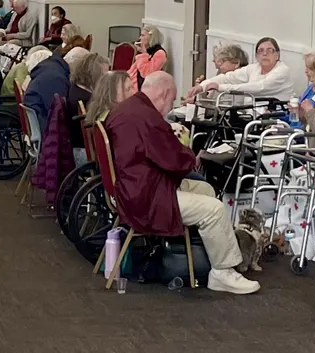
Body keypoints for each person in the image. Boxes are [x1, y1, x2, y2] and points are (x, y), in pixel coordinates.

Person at [106, 73, 259, 294]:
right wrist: (191, 157)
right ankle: (223, 272)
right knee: (214, 210)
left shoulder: (129, 109)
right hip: (146, 198)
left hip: (133, 187)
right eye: (172, 99)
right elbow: (173, 160)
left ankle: (207, 257)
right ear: (165, 93)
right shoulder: (146, 118)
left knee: (205, 189)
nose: (171, 105)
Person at [187, 37, 294, 103]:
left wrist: (220, 87)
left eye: (270, 50)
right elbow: (228, 78)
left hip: (275, 117)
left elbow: (259, 87)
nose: (265, 54)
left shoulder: (282, 71)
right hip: (251, 115)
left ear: (277, 54)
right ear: (256, 55)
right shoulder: (254, 68)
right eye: (261, 51)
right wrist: (202, 86)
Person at [66, 52, 108, 165]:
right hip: (85, 154)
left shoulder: (75, 90)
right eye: (104, 76)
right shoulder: (87, 99)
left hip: (77, 148)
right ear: (94, 75)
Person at [24, 45, 71, 124]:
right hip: (49, 129)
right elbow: (58, 113)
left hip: (42, 124)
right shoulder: (55, 77)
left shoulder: (42, 76)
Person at [126, 26, 167, 90]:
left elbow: (146, 73)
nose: (140, 38)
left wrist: (143, 54)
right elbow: (133, 71)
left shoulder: (160, 53)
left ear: (151, 37)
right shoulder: (147, 51)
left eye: (143, 35)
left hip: (146, 88)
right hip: (134, 84)